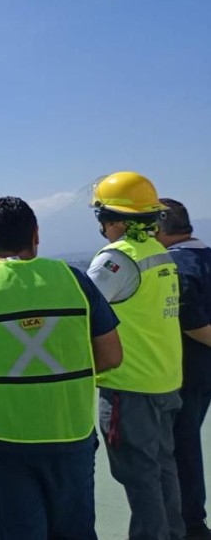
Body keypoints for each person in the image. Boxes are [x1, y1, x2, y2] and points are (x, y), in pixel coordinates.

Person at [0, 196, 122, 539]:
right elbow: (111, 356)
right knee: (76, 530)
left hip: (2, 435)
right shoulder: (75, 280)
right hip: (70, 429)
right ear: (36, 235)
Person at [87, 171, 184, 540]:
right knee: (162, 468)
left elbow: (83, 311)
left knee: (139, 475)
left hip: (129, 385)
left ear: (109, 218)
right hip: (164, 379)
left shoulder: (117, 260)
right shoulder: (158, 253)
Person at [156, 198, 211, 540]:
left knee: (182, 446)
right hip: (204, 373)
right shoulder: (205, 255)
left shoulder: (176, 265)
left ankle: (189, 523)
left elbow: (191, 320)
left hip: (186, 371)